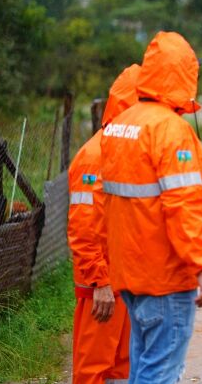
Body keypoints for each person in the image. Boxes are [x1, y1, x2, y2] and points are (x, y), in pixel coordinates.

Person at [100, 31, 202, 383]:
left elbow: (114, 200)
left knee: (142, 366)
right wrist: (201, 266)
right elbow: (183, 204)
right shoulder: (172, 129)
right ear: (184, 75)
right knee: (160, 373)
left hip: (129, 272)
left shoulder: (120, 126)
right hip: (165, 276)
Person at [68, 64, 140, 384]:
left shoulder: (125, 152)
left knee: (121, 369)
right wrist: (100, 283)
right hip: (103, 287)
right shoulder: (95, 156)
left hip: (123, 284)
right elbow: (83, 228)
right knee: (94, 369)